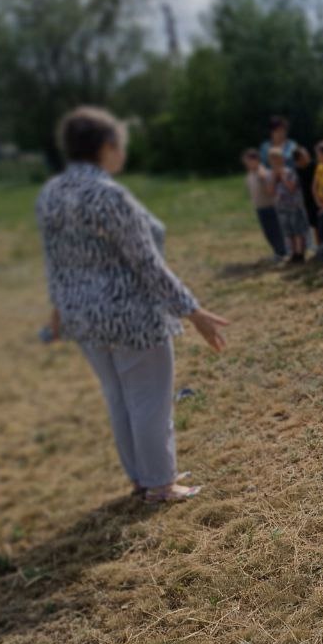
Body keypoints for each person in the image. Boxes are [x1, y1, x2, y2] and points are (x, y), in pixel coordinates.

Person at [37, 106, 230, 504]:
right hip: (131, 316)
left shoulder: (51, 193)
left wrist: (58, 312)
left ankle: (143, 477)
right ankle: (160, 484)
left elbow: (54, 262)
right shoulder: (108, 195)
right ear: (107, 146)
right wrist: (193, 312)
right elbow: (147, 264)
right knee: (148, 400)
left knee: (119, 399)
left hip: (83, 318)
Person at [242, 149, 286, 259]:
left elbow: (271, 189)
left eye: (248, 161)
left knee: (275, 230)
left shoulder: (263, 173)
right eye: (245, 162)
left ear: (256, 160)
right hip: (260, 207)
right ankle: (277, 251)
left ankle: (282, 252)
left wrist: (264, 179)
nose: (246, 164)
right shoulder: (249, 175)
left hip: (270, 206)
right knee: (268, 232)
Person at [268, 150, 310, 263]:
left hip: (294, 206)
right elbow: (270, 192)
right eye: (272, 160)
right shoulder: (271, 174)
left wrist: (282, 176)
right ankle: (293, 253)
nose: (275, 163)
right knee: (288, 232)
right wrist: (274, 178)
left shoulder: (290, 172)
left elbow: (292, 188)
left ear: (282, 159)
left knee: (297, 230)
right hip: (281, 207)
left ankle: (300, 253)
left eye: (277, 159)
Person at [292, 146, 320, 252]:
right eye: (304, 156)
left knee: (322, 222)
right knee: (314, 224)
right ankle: (319, 246)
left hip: (319, 198)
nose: (307, 157)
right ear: (298, 160)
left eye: (307, 154)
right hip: (307, 201)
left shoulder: (315, 166)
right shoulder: (297, 170)